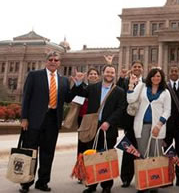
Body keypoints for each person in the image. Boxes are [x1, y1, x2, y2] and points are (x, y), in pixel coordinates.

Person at [19, 51, 74, 193]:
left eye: (56, 60)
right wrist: (24, 118)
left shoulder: (63, 80)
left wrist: (78, 84)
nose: (53, 62)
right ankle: (26, 182)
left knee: (48, 153)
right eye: (51, 59)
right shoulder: (34, 76)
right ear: (46, 61)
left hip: (52, 120)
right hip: (34, 121)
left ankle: (42, 182)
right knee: (30, 152)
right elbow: (26, 98)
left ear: (59, 62)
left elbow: (68, 99)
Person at [72, 65, 126, 193]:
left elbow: (121, 109)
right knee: (92, 156)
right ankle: (91, 184)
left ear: (114, 74)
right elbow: (79, 93)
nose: (109, 74)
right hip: (92, 128)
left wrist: (109, 122)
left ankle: (106, 186)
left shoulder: (119, 91)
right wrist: (79, 82)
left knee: (107, 158)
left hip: (109, 129)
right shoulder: (92, 88)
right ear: (103, 73)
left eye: (112, 72)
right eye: (107, 72)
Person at [127, 67, 171, 192]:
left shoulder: (165, 92)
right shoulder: (142, 87)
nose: (156, 78)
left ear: (161, 78)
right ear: (150, 77)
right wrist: (131, 85)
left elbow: (167, 110)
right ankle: (142, 182)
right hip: (142, 126)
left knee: (155, 154)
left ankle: (154, 184)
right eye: (153, 76)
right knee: (142, 154)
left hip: (158, 127)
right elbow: (130, 99)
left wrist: (159, 125)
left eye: (158, 76)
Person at [116, 60, 144, 188]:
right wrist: (121, 78)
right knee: (129, 151)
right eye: (135, 66)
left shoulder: (146, 83)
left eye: (139, 67)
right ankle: (126, 178)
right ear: (131, 69)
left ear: (142, 69)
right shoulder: (126, 82)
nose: (137, 68)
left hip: (144, 122)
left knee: (143, 151)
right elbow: (118, 92)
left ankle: (144, 178)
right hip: (129, 122)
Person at [76, 68, 100, 158]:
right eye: (91, 74)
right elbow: (77, 94)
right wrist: (78, 82)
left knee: (93, 142)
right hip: (83, 118)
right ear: (87, 76)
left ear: (98, 77)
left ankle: (92, 165)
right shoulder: (83, 87)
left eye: (95, 74)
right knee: (82, 142)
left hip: (95, 118)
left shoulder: (101, 88)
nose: (93, 75)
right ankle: (81, 166)